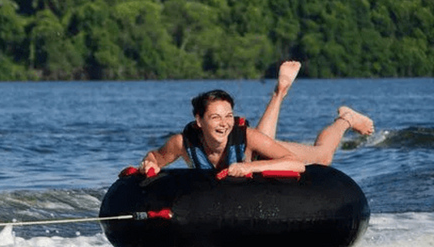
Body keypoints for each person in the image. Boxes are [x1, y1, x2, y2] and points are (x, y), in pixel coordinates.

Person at [138, 61, 374, 178]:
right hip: (255, 146)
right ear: (198, 120)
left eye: (229, 116)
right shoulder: (182, 143)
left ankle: (346, 118)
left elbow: (295, 164)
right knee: (261, 139)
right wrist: (148, 165)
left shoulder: (244, 135)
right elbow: (155, 159)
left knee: (322, 157)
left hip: (259, 153)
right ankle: (280, 92)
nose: (224, 123)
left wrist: (248, 167)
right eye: (215, 117)